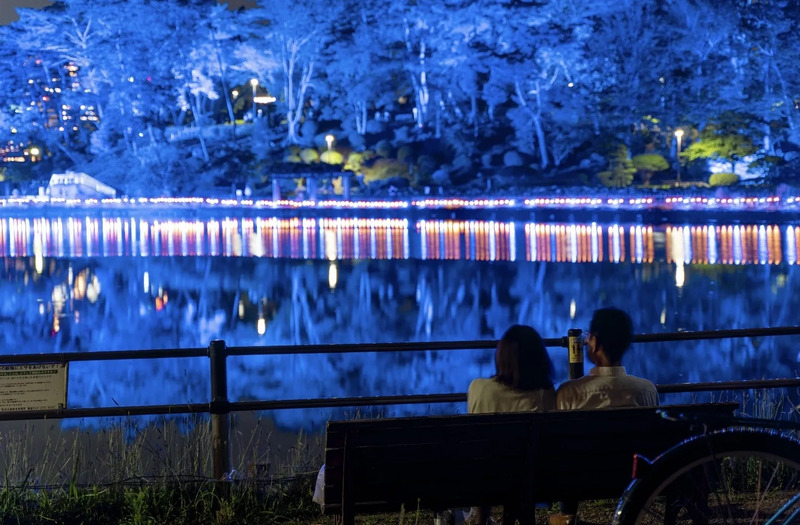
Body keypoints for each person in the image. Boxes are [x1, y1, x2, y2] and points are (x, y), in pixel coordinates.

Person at [550, 307, 659, 525]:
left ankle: (568, 515)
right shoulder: (647, 390)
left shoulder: (568, 393)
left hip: (581, 481)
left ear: (595, 343)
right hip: (634, 479)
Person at [465, 324, 556, 525]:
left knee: (491, 462)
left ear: (502, 356)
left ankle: (482, 519)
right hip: (533, 482)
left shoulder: (478, 388)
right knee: (522, 466)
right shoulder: (545, 394)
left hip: (484, 480)